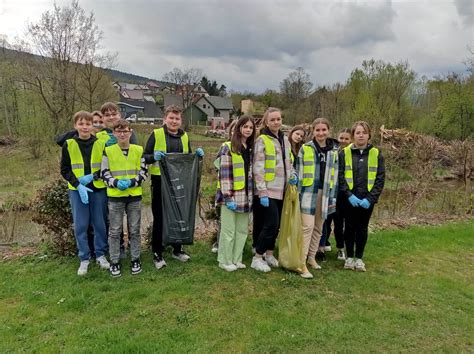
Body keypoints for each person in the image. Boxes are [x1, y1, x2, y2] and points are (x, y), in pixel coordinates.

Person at [144, 105, 204, 269]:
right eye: (171, 118)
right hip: (159, 182)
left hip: (179, 182)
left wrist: (196, 156)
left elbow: (187, 159)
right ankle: (157, 252)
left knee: (179, 214)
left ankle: (177, 249)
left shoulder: (184, 137)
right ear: (165, 119)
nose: (174, 121)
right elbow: (145, 157)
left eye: (177, 118)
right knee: (160, 218)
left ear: (181, 121)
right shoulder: (156, 135)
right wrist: (153, 157)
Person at [60, 111, 109, 276]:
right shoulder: (69, 144)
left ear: (92, 126)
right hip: (77, 190)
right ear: (75, 126)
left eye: (88, 124)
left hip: (98, 188)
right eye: (81, 124)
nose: (85, 127)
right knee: (81, 225)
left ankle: (101, 255)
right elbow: (65, 169)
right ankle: (84, 258)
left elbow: (106, 167)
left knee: (99, 224)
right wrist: (77, 184)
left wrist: (93, 176)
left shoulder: (100, 143)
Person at [252, 107, 297, 273]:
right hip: (268, 191)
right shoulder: (262, 140)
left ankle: (269, 254)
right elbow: (258, 168)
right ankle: (257, 257)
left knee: (276, 226)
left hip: (282, 190)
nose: (276, 122)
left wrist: (292, 175)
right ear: (266, 122)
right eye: (272, 120)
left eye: (278, 119)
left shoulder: (284, 139)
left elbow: (288, 162)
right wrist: (262, 192)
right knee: (271, 224)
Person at [101, 119, 148, 277]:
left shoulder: (138, 149)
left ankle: (135, 258)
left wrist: (132, 182)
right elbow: (104, 173)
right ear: (113, 133)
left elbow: (143, 172)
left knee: (134, 230)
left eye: (125, 131)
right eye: (119, 131)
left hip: (134, 195)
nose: (122, 134)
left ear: (130, 132)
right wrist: (114, 182)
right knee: (114, 231)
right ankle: (114, 261)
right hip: (115, 196)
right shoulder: (108, 150)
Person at [338, 121, 385, 272]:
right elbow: (339, 176)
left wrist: (370, 199)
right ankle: (349, 258)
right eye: (357, 133)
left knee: (362, 228)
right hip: (349, 199)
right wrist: (348, 195)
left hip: (366, 200)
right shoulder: (344, 153)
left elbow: (380, 178)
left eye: (364, 133)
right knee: (349, 228)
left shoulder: (376, 153)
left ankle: (359, 258)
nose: (361, 135)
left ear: (369, 135)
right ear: (353, 135)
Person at [296, 118, 339, 271]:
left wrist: (333, 198)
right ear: (313, 131)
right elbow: (299, 173)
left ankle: (311, 258)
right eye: (318, 130)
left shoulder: (334, 151)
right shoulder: (305, 148)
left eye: (323, 130)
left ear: (329, 130)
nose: (321, 133)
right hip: (308, 193)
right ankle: (301, 261)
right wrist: (297, 195)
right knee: (307, 227)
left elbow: (335, 176)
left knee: (318, 228)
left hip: (325, 193)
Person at [215, 116, 255, 271]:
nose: (248, 130)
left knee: (242, 230)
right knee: (228, 230)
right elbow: (224, 174)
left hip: (246, 196)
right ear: (238, 128)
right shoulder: (227, 147)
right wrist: (227, 196)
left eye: (251, 128)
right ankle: (225, 260)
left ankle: (236, 259)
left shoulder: (250, 149)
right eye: (245, 126)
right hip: (230, 196)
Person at [321, 128, 351, 260]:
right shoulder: (331, 151)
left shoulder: (350, 153)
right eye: (341, 138)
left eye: (346, 139)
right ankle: (323, 244)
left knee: (339, 223)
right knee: (325, 221)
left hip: (342, 194)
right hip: (330, 191)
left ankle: (340, 248)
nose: (343, 141)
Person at [211, 120, 237, 254]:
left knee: (236, 221)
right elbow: (217, 166)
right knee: (223, 219)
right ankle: (219, 243)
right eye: (233, 130)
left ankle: (234, 246)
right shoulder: (225, 146)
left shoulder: (247, 147)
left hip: (240, 190)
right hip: (224, 189)